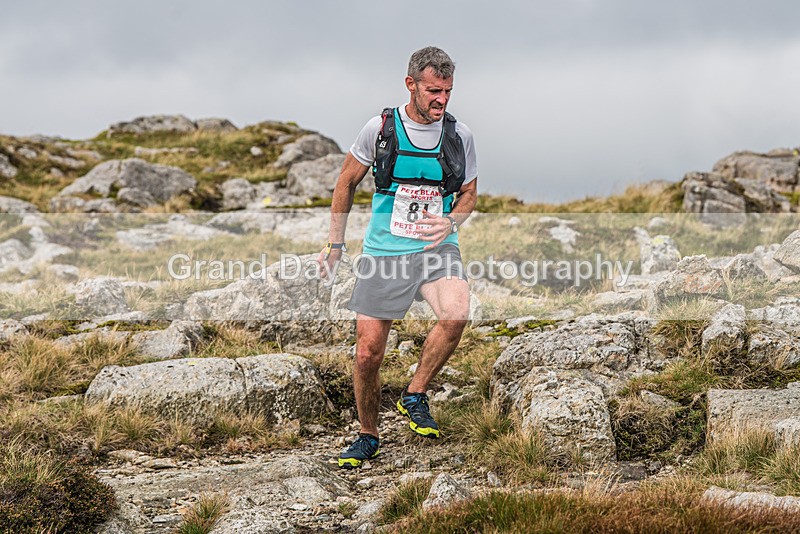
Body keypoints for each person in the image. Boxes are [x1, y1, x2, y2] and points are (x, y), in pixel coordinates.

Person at [318, 46, 478, 468]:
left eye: (447, 91)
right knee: (368, 353)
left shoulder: (460, 135)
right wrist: (336, 244)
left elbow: (469, 194)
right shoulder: (380, 128)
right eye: (432, 91)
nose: (441, 100)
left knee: (457, 313)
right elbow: (345, 184)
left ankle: (415, 393)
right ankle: (368, 434)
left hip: (436, 250)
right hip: (385, 252)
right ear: (411, 85)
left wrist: (453, 222)